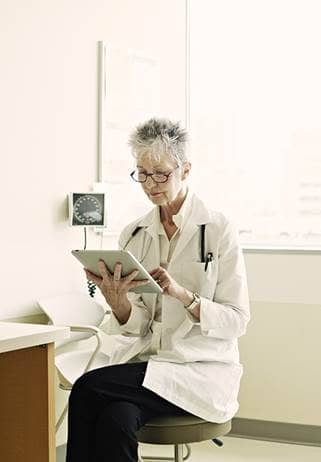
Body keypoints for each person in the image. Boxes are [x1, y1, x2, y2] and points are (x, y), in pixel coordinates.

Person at [67, 118, 251, 462]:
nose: (151, 184)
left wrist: (185, 297)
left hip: (199, 368)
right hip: (149, 365)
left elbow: (237, 321)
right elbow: (137, 326)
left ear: (186, 169)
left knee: (88, 387)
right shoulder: (134, 234)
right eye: (142, 173)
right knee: (115, 419)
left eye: (161, 173)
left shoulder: (218, 229)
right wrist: (118, 302)